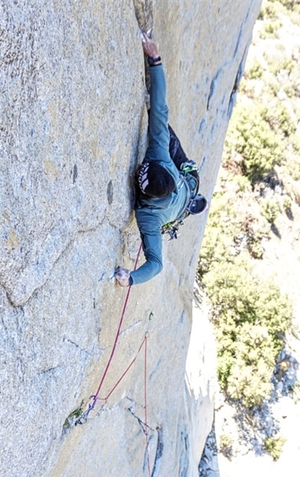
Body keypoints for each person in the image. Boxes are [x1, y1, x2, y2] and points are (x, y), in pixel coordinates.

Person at [115, 33, 208, 287]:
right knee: (161, 124)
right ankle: (191, 200)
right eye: (142, 170)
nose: (137, 170)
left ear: (146, 196)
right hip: (185, 179)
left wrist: (130, 279)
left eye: (140, 175)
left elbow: (156, 264)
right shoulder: (159, 154)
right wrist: (155, 60)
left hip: (176, 201)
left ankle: (189, 205)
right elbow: (160, 108)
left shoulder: (148, 216)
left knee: (161, 125)